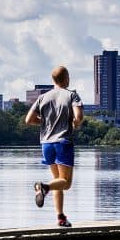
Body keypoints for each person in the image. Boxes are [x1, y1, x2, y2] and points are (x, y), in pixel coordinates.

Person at [25, 66, 84, 227]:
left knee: (58, 180)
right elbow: (78, 116)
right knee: (66, 182)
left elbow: (28, 119)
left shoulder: (43, 97)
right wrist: (75, 123)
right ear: (66, 79)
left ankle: (60, 217)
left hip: (46, 144)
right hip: (63, 142)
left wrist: (44, 122)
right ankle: (43, 187)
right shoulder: (72, 95)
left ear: (53, 80)